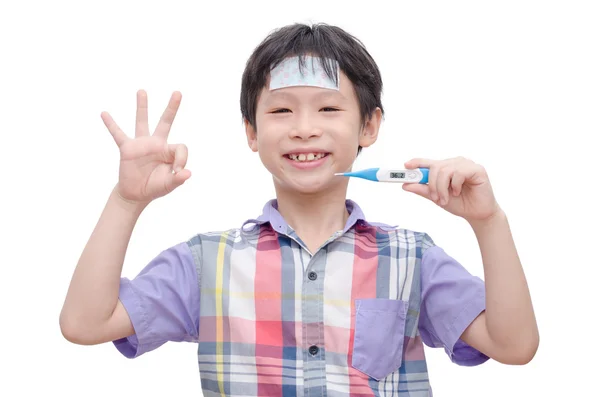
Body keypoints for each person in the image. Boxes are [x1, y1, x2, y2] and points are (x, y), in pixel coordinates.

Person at [59, 22, 538, 396]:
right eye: (281, 110)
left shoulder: (413, 259)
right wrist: (126, 202)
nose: (304, 128)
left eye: (329, 109)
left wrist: (488, 222)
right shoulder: (206, 264)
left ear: (369, 126)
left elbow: (514, 346)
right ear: (251, 131)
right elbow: (85, 324)